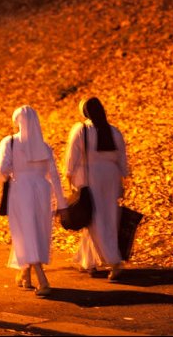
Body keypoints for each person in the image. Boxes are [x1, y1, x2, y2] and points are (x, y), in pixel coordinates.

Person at [0, 105, 68, 297]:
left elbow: (2, 170)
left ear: (17, 121)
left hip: (21, 191)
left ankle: (42, 280)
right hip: (43, 191)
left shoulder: (9, 142)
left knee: (25, 233)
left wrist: (9, 174)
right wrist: (61, 204)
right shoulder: (44, 146)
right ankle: (25, 274)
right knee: (38, 231)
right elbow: (55, 175)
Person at [64, 97, 129, 282]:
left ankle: (114, 262)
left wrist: (68, 177)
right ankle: (88, 261)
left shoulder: (81, 130)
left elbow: (72, 157)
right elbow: (121, 158)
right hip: (112, 177)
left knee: (94, 219)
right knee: (107, 217)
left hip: (90, 177)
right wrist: (123, 179)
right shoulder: (114, 131)